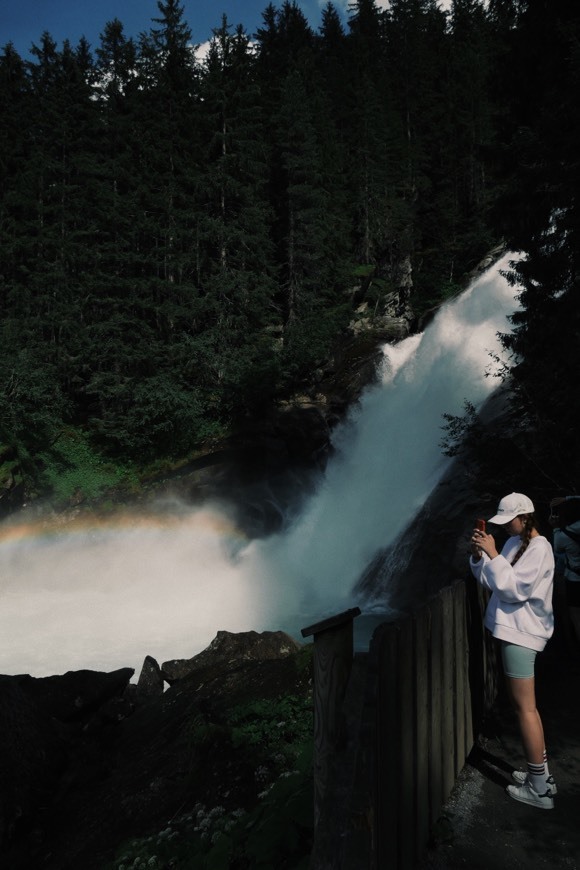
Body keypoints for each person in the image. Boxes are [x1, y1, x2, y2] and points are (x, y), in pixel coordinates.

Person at [470, 492, 556, 810]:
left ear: (525, 517)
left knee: (526, 710)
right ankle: (540, 776)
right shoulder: (513, 544)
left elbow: (515, 589)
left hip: (522, 634)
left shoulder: (540, 548)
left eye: (509, 522)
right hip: (513, 631)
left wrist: (493, 553)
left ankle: (540, 791)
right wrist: (480, 557)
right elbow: (491, 581)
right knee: (525, 708)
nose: (505, 527)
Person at [549, 495, 580, 647]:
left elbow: (557, 551)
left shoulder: (562, 536)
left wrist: (555, 528)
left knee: (575, 615)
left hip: (574, 579)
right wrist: (568, 498)